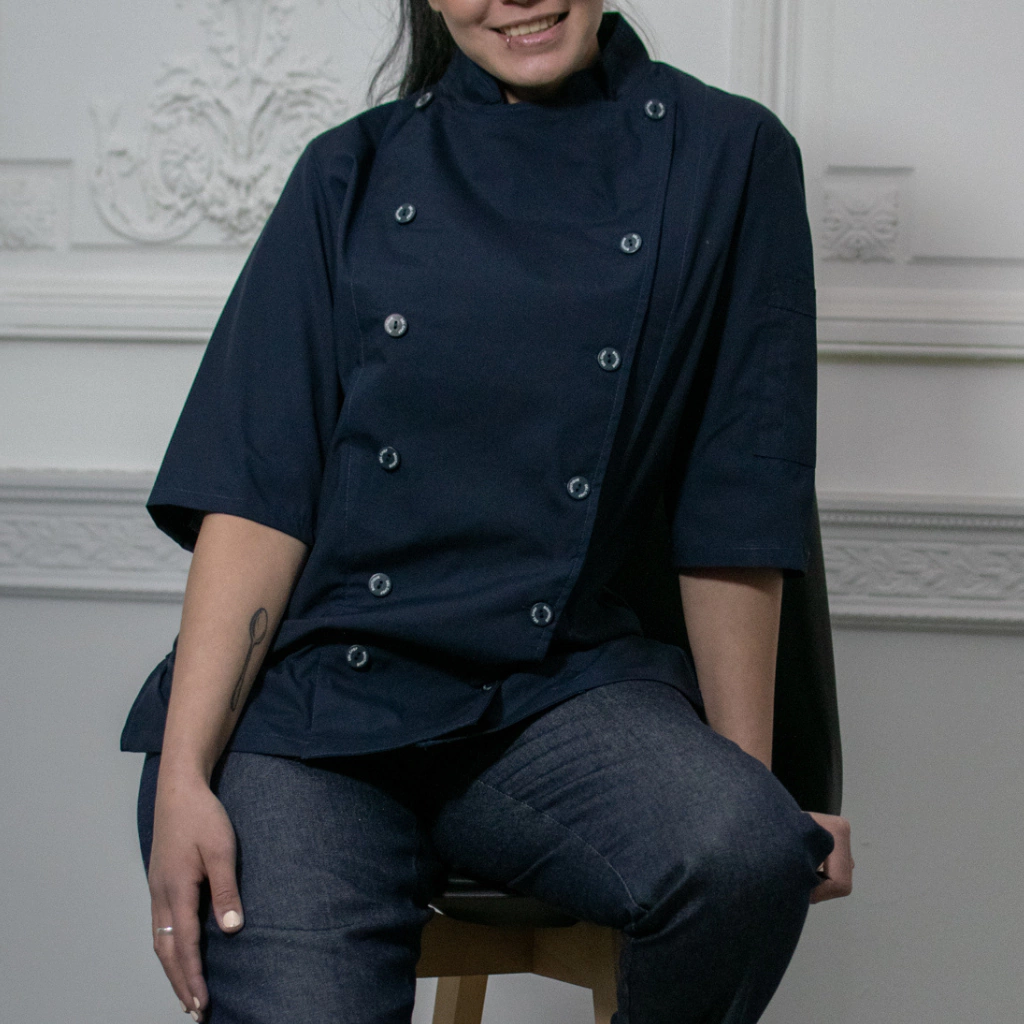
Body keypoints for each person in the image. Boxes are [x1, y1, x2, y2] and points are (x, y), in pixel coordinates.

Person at [121, 2, 854, 1021]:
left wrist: (759, 792)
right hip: (311, 710)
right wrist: (185, 780)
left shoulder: (727, 157)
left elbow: (734, 497)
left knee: (744, 850)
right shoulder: (349, 170)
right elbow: (254, 496)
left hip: (559, 698)